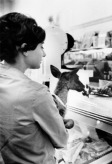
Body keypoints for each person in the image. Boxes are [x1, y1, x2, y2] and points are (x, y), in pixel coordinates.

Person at [0, 12, 69, 163]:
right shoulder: (36, 94)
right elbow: (61, 141)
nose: (44, 54)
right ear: (25, 49)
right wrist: (58, 122)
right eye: (41, 47)